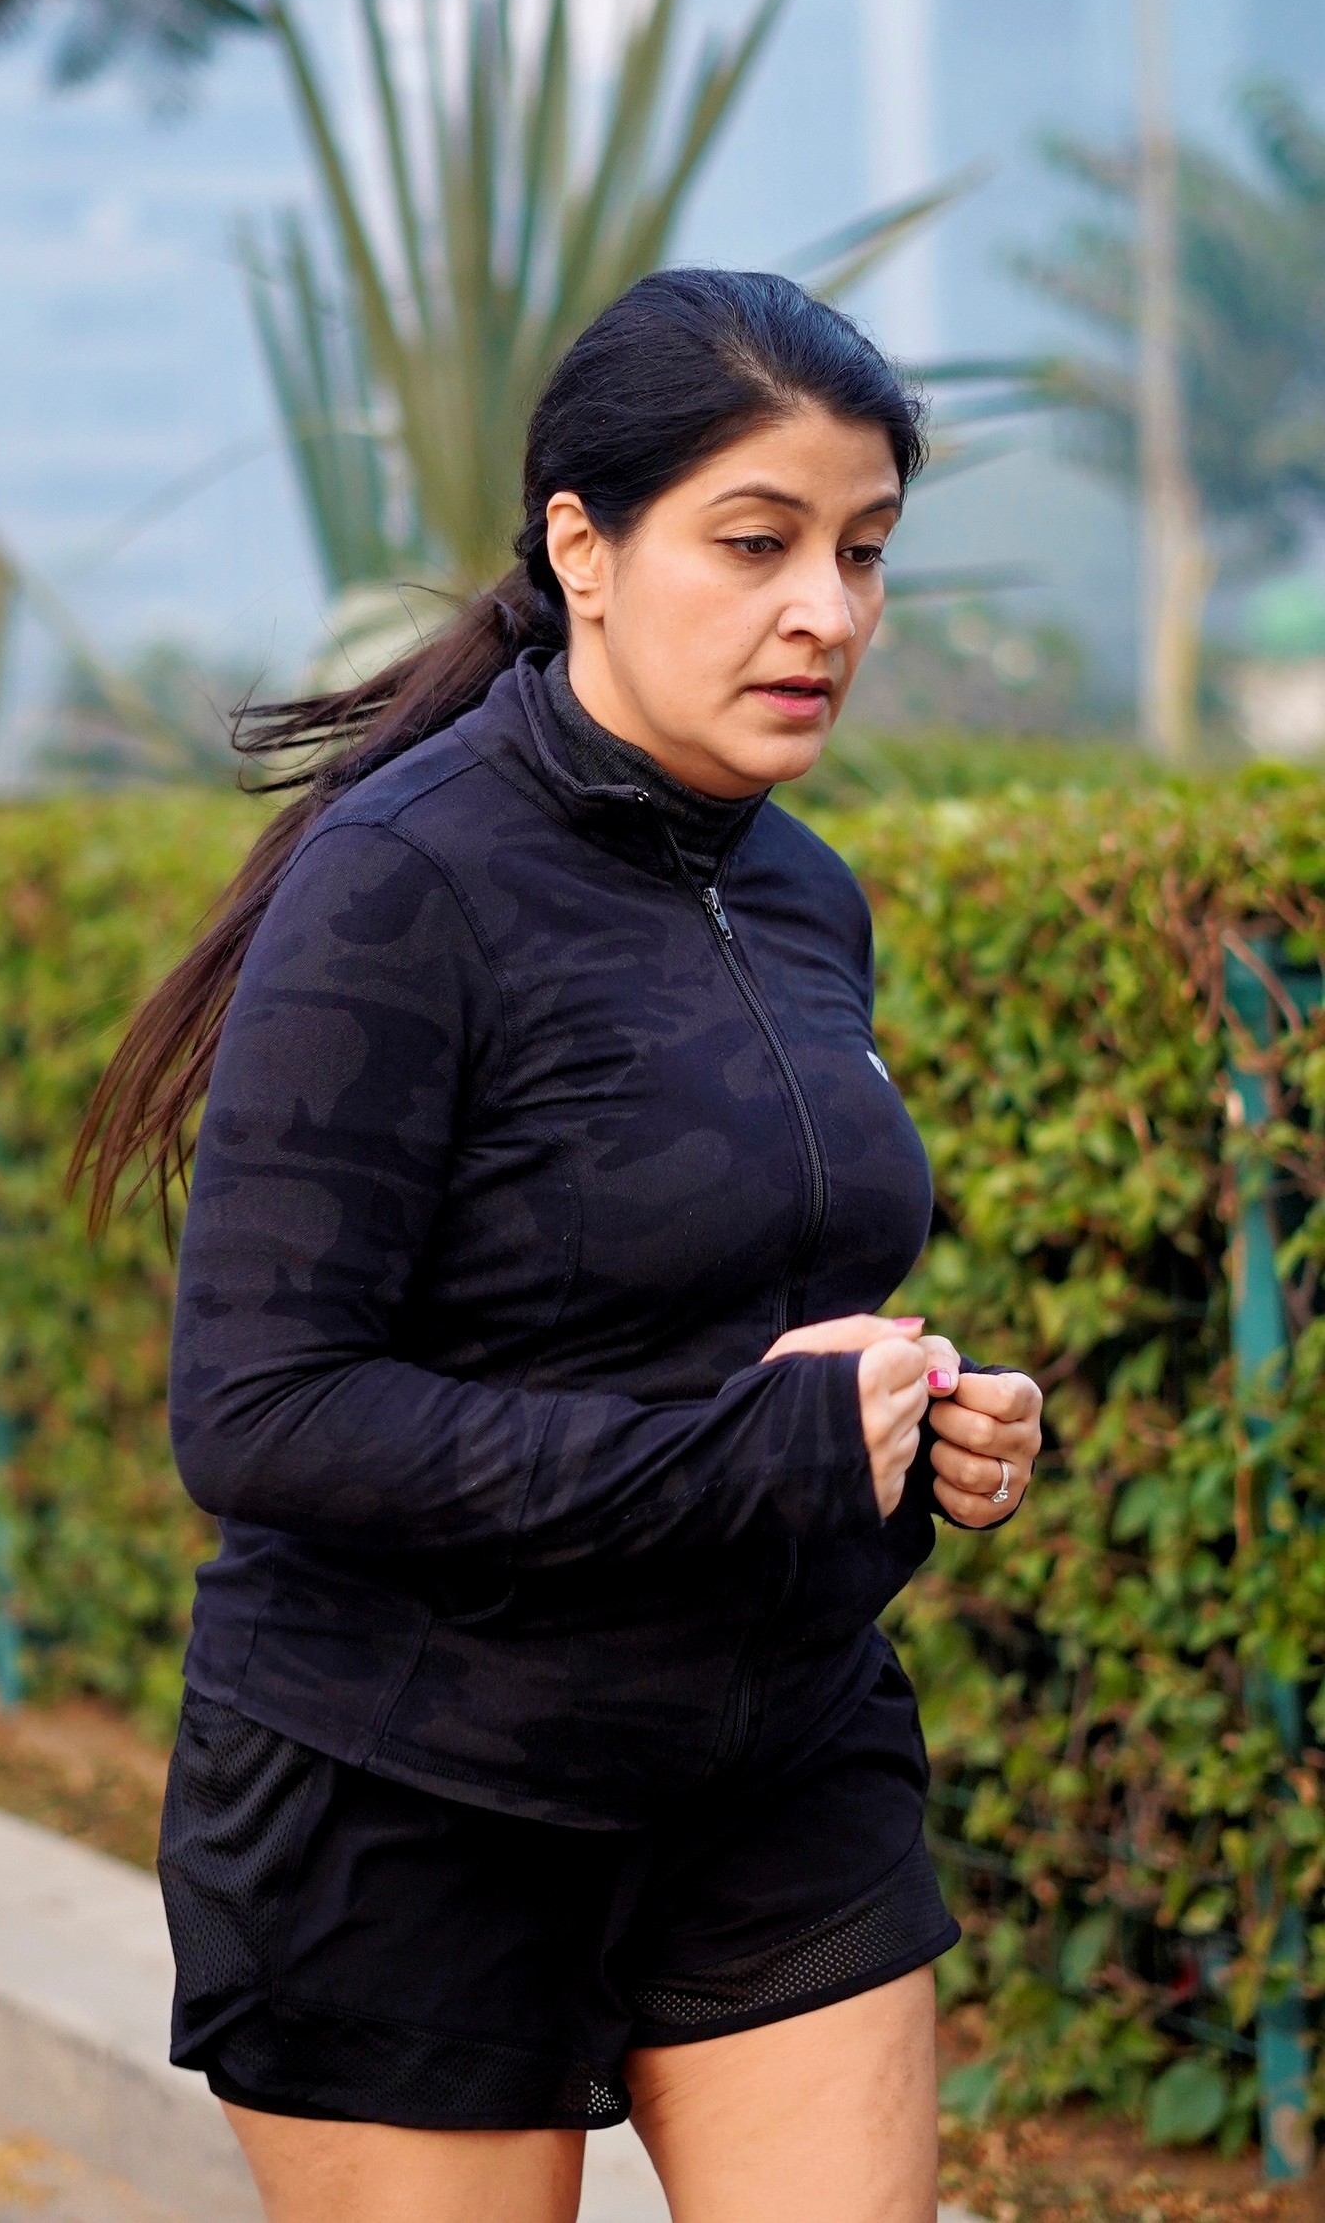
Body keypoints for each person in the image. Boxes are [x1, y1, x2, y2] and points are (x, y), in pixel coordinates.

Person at [75, 269, 1042, 2223]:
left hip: (773, 1770)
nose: (825, 612)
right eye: (755, 543)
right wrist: (748, 1454)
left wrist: (915, 1423)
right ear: (580, 548)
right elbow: (259, 1417)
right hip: (407, 1802)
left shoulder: (802, 895)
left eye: (863, 550)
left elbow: (738, 1333)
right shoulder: (400, 878)